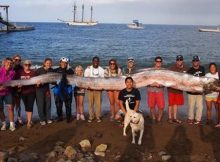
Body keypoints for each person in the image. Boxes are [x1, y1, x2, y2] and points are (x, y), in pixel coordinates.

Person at [167, 55, 188, 124]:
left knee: (176, 104)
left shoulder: (186, 68)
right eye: (178, 60)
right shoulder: (172, 68)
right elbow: (168, 78)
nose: (179, 61)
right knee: (171, 104)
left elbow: (187, 79)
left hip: (179, 89)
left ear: (182, 60)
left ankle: (175, 118)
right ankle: (170, 118)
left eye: (180, 60)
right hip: (171, 89)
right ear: (176, 61)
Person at [53, 57, 74, 123]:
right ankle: (60, 117)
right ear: (60, 62)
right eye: (62, 62)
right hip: (57, 90)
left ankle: (68, 118)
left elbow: (73, 80)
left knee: (68, 104)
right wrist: (55, 82)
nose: (63, 64)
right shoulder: (55, 70)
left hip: (67, 90)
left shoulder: (70, 70)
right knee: (58, 105)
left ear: (67, 64)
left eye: (65, 63)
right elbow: (51, 80)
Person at [84, 56, 104, 123]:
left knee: (98, 104)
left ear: (99, 62)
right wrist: (88, 86)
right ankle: (91, 117)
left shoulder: (101, 69)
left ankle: (98, 117)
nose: (96, 62)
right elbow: (85, 79)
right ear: (92, 62)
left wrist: (101, 88)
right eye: (94, 61)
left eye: (97, 61)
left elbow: (103, 80)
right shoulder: (88, 69)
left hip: (98, 89)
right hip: (90, 89)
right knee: (90, 104)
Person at [17, 60, 36, 128]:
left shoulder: (33, 72)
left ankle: (29, 122)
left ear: (30, 65)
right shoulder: (20, 72)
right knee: (26, 106)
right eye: (26, 64)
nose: (27, 66)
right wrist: (18, 85)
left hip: (31, 92)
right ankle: (29, 119)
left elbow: (36, 83)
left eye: (29, 65)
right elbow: (17, 81)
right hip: (23, 92)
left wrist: (38, 83)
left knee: (30, 106)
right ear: (23, 65)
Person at [187, 55, 205, 125]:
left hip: (199, 91)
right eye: (194, 61)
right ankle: (190, 118)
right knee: (191, 106)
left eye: (197, 60)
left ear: (199, 62)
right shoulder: (189, 70)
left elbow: (203, 79)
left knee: (199, 106)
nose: (195, 62)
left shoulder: (202, 68)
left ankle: (198, 119)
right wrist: (190, 89)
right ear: (192, 62)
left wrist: (201, 89)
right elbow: (187, 82)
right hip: (191, 91)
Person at [147, 56, 165, 123]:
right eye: (157, 61)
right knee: (151, 106)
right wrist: (152, 84)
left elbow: (167, 80)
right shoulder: (150, 71)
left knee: (161, 107)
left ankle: (159, 118)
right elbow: (145, 81)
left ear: (161, 62)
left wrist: (161, 84)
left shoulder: (164, 71)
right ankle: (154, 118)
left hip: (159, 91)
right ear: (155, 62)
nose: (158, 62)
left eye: (160, 61)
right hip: (151, 90)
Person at [35, 58, 53, 125]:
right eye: (47, 63)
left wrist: (53, 82)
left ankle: (48, 118)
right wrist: (37, 84)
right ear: (44, 63)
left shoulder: (51, 70)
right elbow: (33, 80)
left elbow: (53, 82)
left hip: (47, 89)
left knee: (48, 103)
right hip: (39, 89)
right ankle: (42, 119)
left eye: (50, 63)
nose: (48, 64)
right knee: (40, 104)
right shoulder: (39, 70)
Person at [0, 57, 16, 131]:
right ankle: (4, 123)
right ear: (4, 62)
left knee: (10, 108)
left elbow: (12, 82)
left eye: (11, 63)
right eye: (8, 62)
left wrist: (15, 85)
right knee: (0, 109)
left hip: (8, 92)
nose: (9, 64)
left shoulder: (13, 72)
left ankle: (12, 125)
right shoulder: (0, 70)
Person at [12, 54, 23, 125]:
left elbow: (23, 77)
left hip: (18, 88)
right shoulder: (10, 67)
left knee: (18, 104)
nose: (17, 61)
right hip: (10, 88)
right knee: (11, 105)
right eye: (16, 59)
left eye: (19, 60)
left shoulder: (21, 68)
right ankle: (12, 120)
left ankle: (19, 118)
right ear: (13, 60)